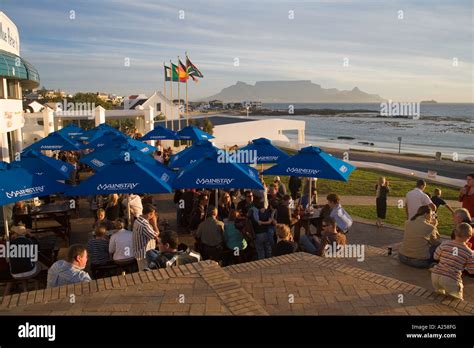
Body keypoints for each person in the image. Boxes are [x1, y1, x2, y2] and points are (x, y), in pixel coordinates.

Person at [431, 223, 474, 300]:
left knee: (439, 295)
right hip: (450, 279)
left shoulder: (445, 244)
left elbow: (435, 257)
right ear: (470, 237)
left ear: (455, 233)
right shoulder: (469, 252)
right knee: (456, 300)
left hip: (435, 275)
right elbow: (471, 271)